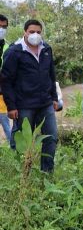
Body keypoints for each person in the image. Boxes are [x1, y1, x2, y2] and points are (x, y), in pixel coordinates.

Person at [0, 19, 58, 172]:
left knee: (51, 138)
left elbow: (51, 75)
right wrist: (11, 106)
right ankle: (23, 173)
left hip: (45, 103)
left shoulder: (46, 49)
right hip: (24, 105)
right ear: (25, 32)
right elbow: (6, 81)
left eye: (38, 32)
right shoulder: (14, 51)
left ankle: (47, 172)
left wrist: (54, 98)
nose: (35, 35)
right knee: (23, 141)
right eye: (32, 32)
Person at [0, 14, 11, 143]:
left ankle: (12, 147)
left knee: (5, 122)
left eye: (4, 27)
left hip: (2, 93)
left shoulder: (8, 47)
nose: (2, 29)